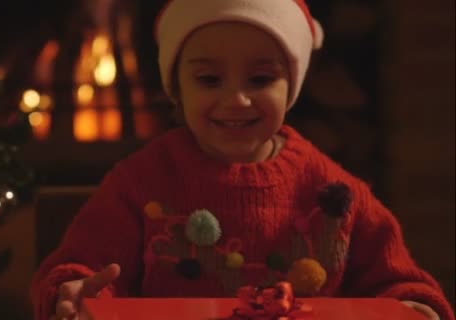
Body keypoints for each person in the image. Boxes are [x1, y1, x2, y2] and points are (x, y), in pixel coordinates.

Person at [30, 1, 454, 319]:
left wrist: (417, 307)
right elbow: (80, 269)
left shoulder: (334, 192)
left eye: (261, 78)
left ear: (291, 86)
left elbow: (402, 285)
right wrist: (72, 292)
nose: (236, 99)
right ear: (178, 87)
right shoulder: (140, 181)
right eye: (209, 79)